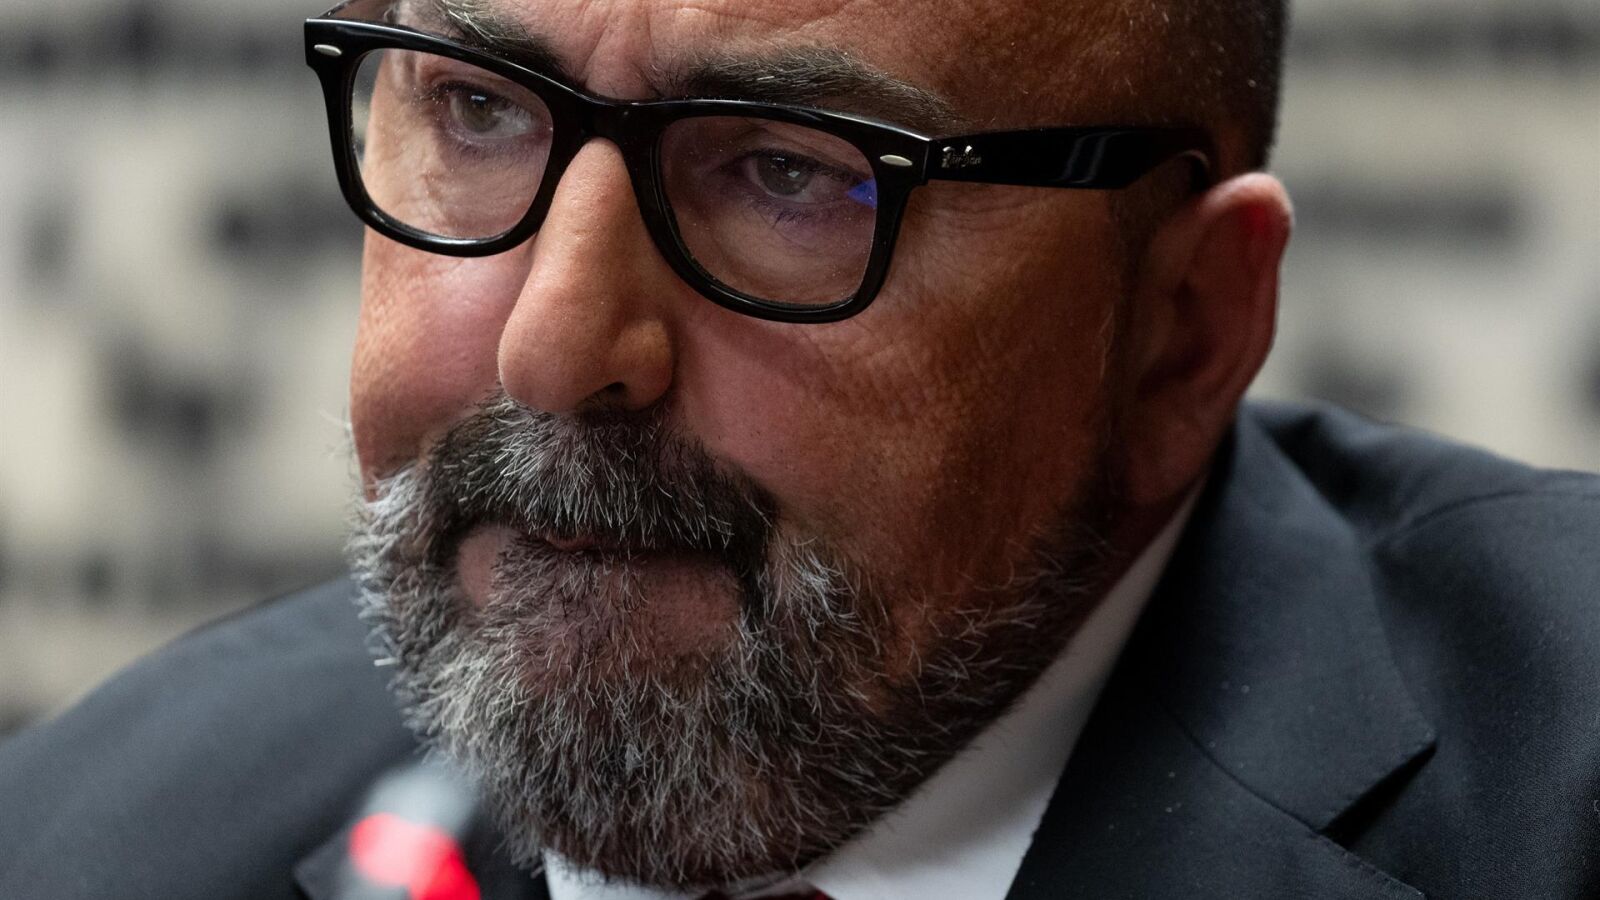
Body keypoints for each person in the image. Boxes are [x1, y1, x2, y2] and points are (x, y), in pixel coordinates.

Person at [2, 0, 1597, 897]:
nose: (554, 349)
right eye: (479, 112)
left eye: (792, 174)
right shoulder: (95, 838)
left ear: (1180, 327)